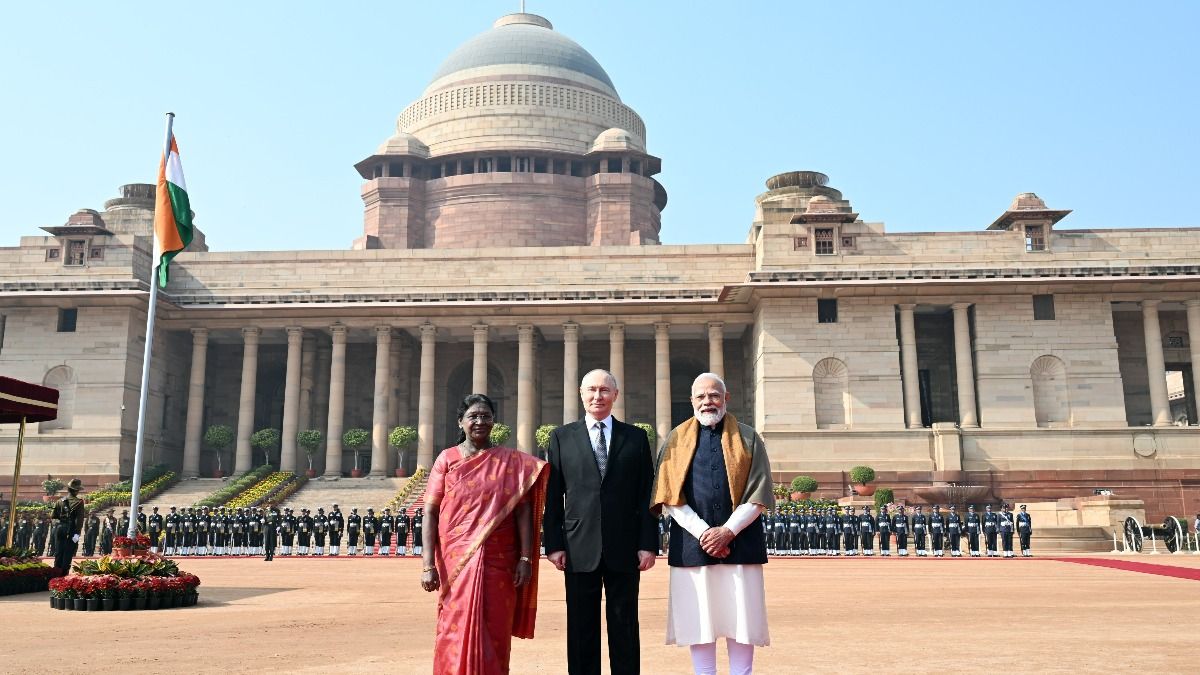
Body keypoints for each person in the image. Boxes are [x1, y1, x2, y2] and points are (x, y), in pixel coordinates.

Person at [652, 373, 774, 675]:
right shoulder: (676, 439)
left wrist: (728, 531)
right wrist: (706, 534)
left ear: (726, 398)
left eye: (714, 395)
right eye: (701, 397)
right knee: (700, 621)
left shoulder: (748, 437)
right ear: (692, 400)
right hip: (694, 544)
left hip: (741, 542)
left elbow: (758, 491)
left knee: (741, 620)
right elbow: (669, 496)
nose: (708, 402)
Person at [421, 393, 550, 675]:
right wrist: (428, 565)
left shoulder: (511, 464)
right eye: (473, 416)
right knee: (452, 624)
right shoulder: (447, 459)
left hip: (499, 561)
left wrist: (526, 558)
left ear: (494, 421)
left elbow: (524, 513)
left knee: (496, 626)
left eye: (486, 416)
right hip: (456, 559)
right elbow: (430, 512)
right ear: (460, 422)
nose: (480, 421)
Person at [544, 369, 658, 675]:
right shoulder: (561, 437)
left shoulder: (635, 438)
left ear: (615, 396)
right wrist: (553, 544)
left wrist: (648, 544)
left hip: (625, 545)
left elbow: (646, 495)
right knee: (581, 627)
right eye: (592, 390)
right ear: (581, 394)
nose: (598, 396)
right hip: (578, 546)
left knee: (624, 624)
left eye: (605, 390)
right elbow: (553, 496)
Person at [50, 478, 86, 572]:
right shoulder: (79, 502)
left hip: (59, 528)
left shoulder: (60, 501)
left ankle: (56, 570)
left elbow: (53, 517)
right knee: (68, 551)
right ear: (76, 491)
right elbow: (79, 522)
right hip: (72, 530)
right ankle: (64, 573)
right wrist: (77, 535)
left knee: (58, 550)